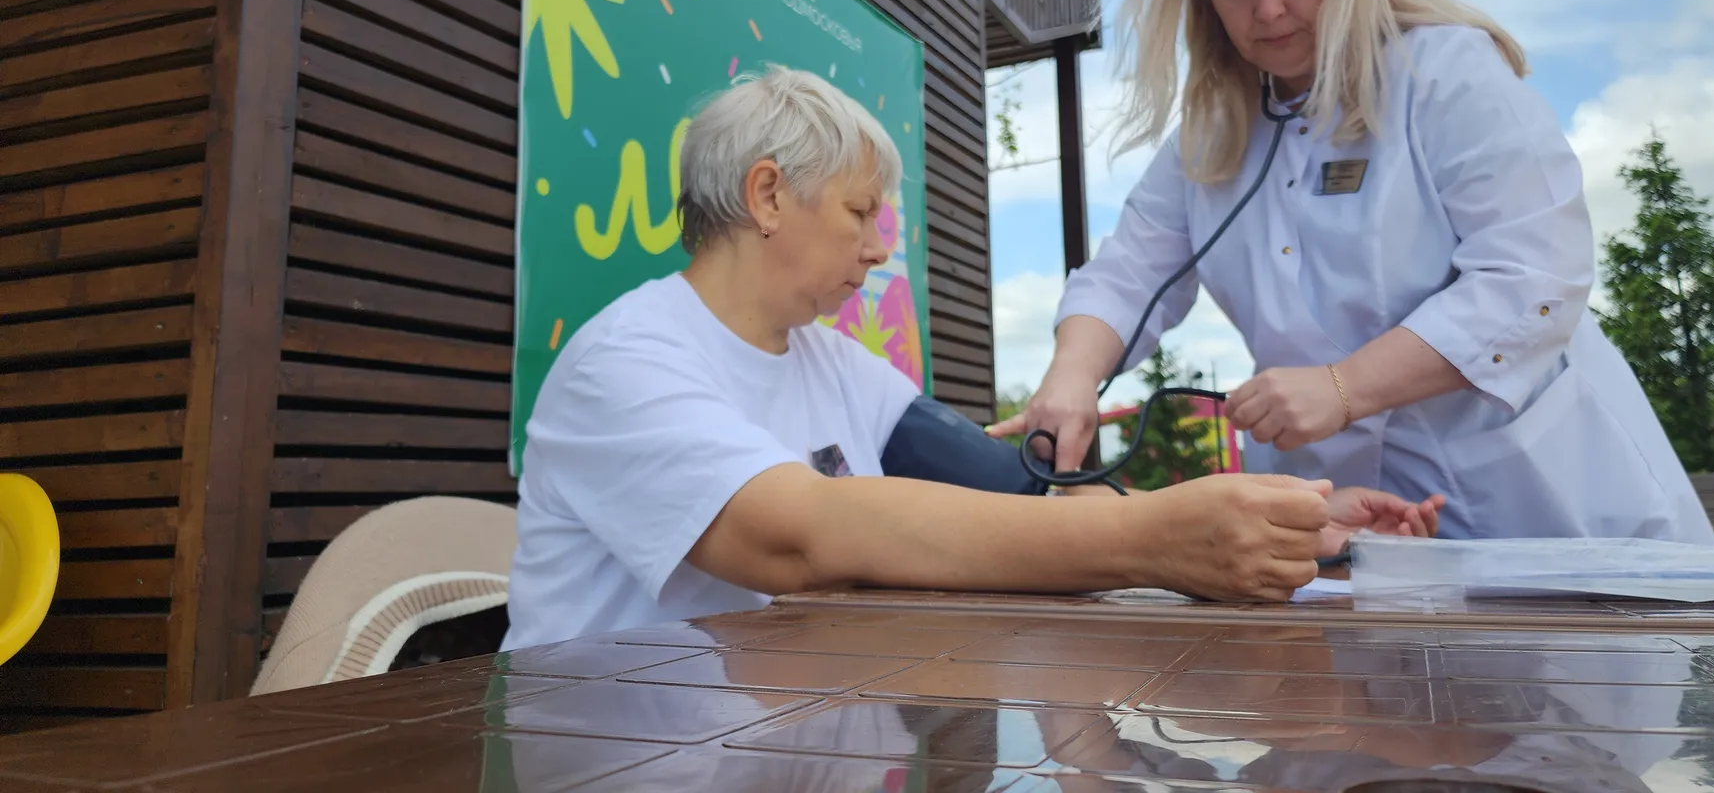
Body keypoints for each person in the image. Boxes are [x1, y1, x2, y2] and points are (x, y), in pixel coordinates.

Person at [502, 66, 1442, 650]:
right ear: (767, 195)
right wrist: (1161, 540)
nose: (879, 248)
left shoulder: (834, 365)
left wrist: (1294, 525)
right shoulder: (624, 362)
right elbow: (797, 538)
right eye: (861, 213)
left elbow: (1022, 495)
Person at [991, 0, 1714, 546]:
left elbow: (1534, 278)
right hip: (1342, 524)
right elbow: (1127, 274)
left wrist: (1346, 389)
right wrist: (1071, 376)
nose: (1268, 10)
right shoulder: (1206, 140)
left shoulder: (1446, 76)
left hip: (1541, 502)